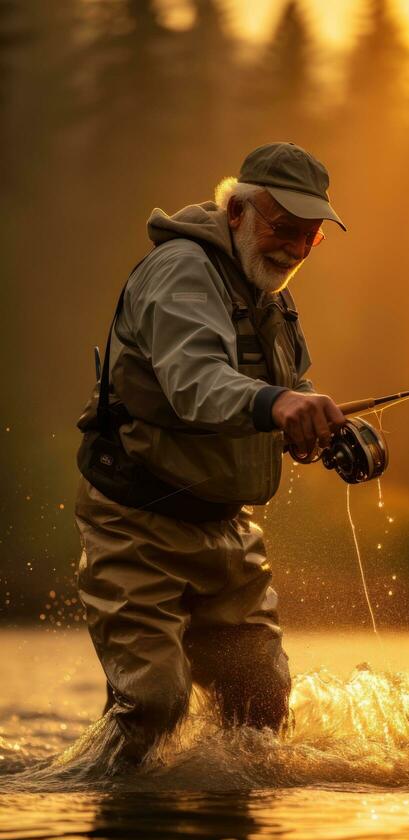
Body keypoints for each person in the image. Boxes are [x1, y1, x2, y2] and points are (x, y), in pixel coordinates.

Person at [74, 141, 347, 766]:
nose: (294, 250)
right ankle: (101, 809)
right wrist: (278, 406)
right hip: (135, 523)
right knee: (154, 702)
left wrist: (329, 428)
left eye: (310, 238)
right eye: (283, 229)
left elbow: (291, 383)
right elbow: (195, 381)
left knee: (261, 706)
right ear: (236, 212)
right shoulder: (180, 271)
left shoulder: (267, 288)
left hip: (226, 529)